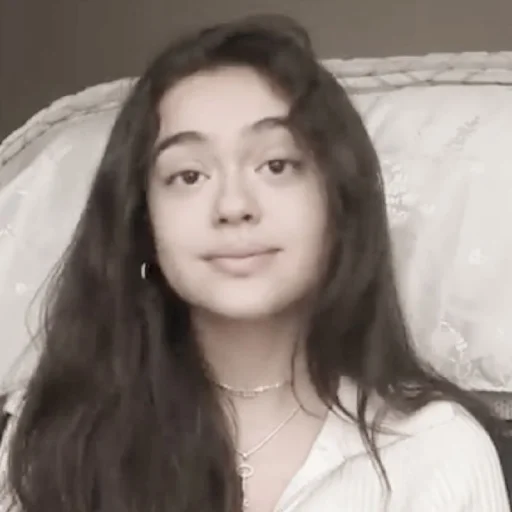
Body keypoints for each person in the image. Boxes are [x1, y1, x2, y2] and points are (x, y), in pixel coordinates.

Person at [0, 14, 510, 512]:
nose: (233, 205)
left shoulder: (436, 453)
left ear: (339, 203)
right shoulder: (55, 438)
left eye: (276, 165)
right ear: (141, 223)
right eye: (189, 176)